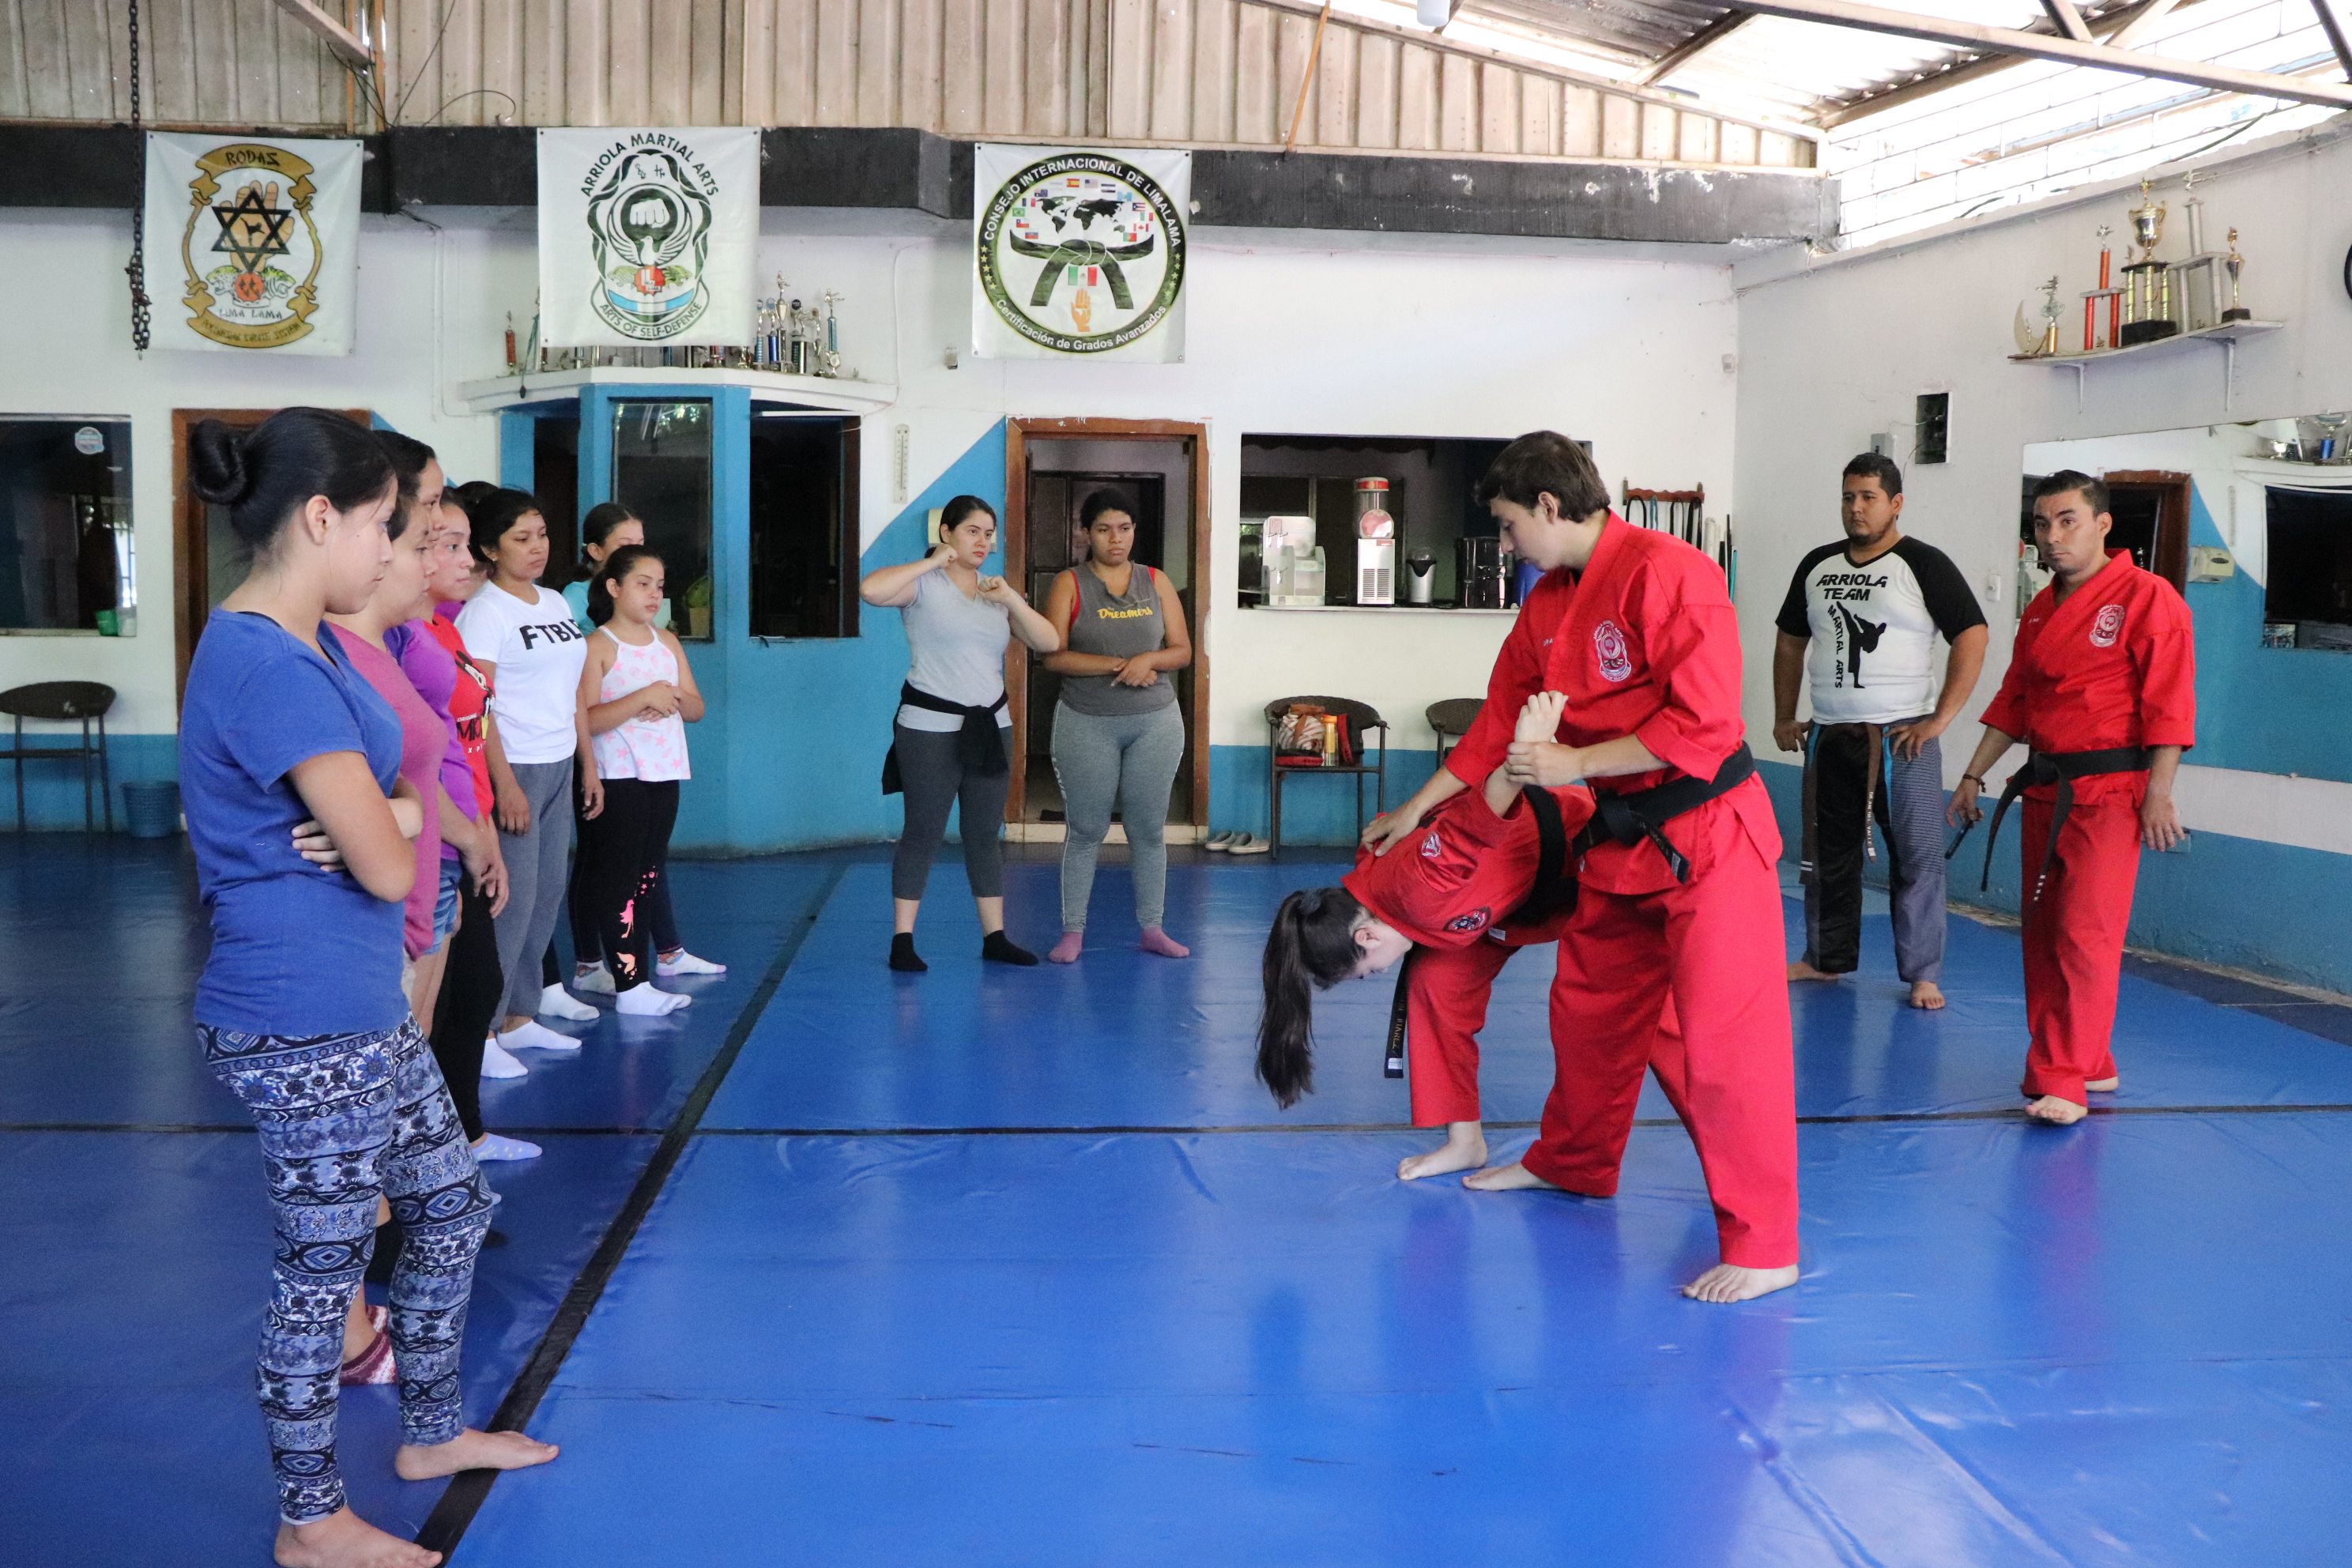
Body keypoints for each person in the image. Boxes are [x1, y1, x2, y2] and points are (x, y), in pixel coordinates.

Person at [178, 409, 555, 1568]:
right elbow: (394, 862)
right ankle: (310, 1522)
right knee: (321, 1276)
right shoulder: (262, 658)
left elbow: (393, 813)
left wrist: (384, 814)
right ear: (320, 518)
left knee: (446, 1203)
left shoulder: (313, 645)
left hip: (357, 1008)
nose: (397, 553)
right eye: (388, 528)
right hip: (298, 1018)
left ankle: (431, 1435)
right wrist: (389, 825)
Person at [1367, 432, 1800, 1304]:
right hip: (1620, 840)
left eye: (1508, 525)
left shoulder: (1670, 572)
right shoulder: (1548, 602)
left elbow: (1707, 723)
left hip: (1709, 833)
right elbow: (1496, 722)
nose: (1505, 544)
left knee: (1722, 1038)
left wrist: (1577, 764)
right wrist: (1415, 808)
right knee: (1589, 1012)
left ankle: (1766, 1244)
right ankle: (1574, 1160)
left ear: (1552, 508)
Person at [1261, 692, 1683, 1180]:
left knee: (1649, 1011)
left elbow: (1476, 818)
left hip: (1577, 850)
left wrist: (1523, 753)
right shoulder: (1369, 884)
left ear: (1370, 938)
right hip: (1500, 901)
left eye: (1367, 974)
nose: (1377, 975)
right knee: (1434, 985)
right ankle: (1466, 1143)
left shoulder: (1418, 886)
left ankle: (1725, 1138)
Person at [1948, 470, 2195, 1126]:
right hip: (2046, 788)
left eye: (2067, 522)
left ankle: (2061, 1077)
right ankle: (2091, 1059)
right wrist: (1973, 774)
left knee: (2087, 935)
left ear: (2102, 524)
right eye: (2041, 524)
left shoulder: (2149, 598)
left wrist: (2159, 795)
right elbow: (2015, 700)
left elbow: (2169, 706)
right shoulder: (2040, 607)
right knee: (2046, 933)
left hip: (2113, 791)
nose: (2052, 537)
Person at [1773, 453, 1988, 1009]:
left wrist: (1939, 719)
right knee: (1828, 854)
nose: (1856, 507)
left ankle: (1922, 973)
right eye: (1848, 496)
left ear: (1895, 503)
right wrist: (1783, 713)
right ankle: (1825, 959)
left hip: (1901, 738)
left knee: (1917, 854)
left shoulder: (1922, 563)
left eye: (1868, 496)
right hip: (1829, 734)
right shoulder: (1817, 565)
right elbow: (1790, 641)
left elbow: (1972, 634)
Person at [859, 495, 1061, 971]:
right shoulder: (922, 586)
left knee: (982, 834)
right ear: (946, 532)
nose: (983, 541)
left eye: (989, 533)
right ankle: (902, 941)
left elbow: (1049, 642)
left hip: (991, 726)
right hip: (929, 727)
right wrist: (931, 561)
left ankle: (995, 936)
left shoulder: (995, 592)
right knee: (924, 832)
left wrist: (1010, 597)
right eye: (972, 531)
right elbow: (871, 590)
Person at [457, 488, 601, 1057]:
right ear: (490, 548)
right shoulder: (485, 613)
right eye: (522, 538)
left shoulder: (556, 604)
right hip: (513, 767)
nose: (537, 548)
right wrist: (505, 785)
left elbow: (572, 694)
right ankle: (483, 1029)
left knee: (545, 896)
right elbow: (478, 706)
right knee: (509, 905)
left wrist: (587, 764)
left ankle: (520, 1014)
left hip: (558, 760)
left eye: (541, 535)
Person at [1041, 489, 1196, 963]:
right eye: (1105, 529)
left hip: (1156, 722)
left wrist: (1148, 659)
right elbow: (1054, 655)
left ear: (1134, 532)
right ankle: (1072, 933)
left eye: (1125, 529)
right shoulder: (1069, 583)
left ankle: (1152, 927)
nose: (1116, 539)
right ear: (1086, 533)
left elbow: (1183, 651)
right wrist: (1119, 665)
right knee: (1086, 829)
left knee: (1147, 829)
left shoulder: (1156, 581)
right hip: (1086, 723)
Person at [576, 545, 704, 1014]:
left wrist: (668, 696)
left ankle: (640, 976)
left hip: (664, 774)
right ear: (614, 588)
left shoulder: (667, 642)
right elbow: (585, 720)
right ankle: (629, 985)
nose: (655, 595)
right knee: (620, 880)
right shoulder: (597, 647)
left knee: (648, 876)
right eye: (643, 584)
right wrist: (640, 698)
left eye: (660, 585)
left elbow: (695, 707)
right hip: (619, 777)